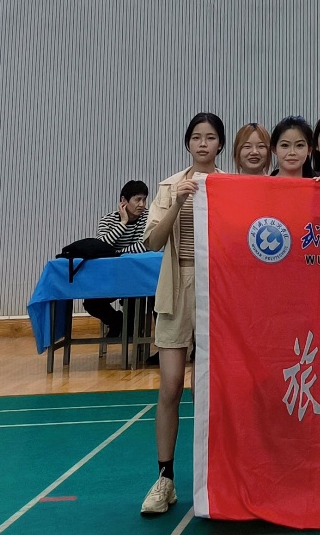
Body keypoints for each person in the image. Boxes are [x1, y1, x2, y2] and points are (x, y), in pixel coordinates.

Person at [139, 112, 225, 516]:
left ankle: (215, 479)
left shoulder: (229, 185)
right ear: (188, 143)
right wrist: (177, 201)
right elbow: (152, 241)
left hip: (217, 293)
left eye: (210, 137)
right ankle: (164, 480)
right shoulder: (169, 186)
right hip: (176, 290)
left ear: (220, 144)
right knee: (171, 387)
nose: (203, 144)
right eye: (196, 137)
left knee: (208, 390)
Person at [85, 180, 150, 338]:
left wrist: (115, 253)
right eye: (137, 200)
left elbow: (146, 245)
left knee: (135, 300)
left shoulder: (149, 217)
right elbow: (101, 246)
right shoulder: (108, 220)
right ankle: (116, 321)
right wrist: (123, 223)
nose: (142, 204)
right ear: (123, 201)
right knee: (91, 303)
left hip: (136, 277)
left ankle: (132, 336)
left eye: (144, 200)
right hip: (110, 276)